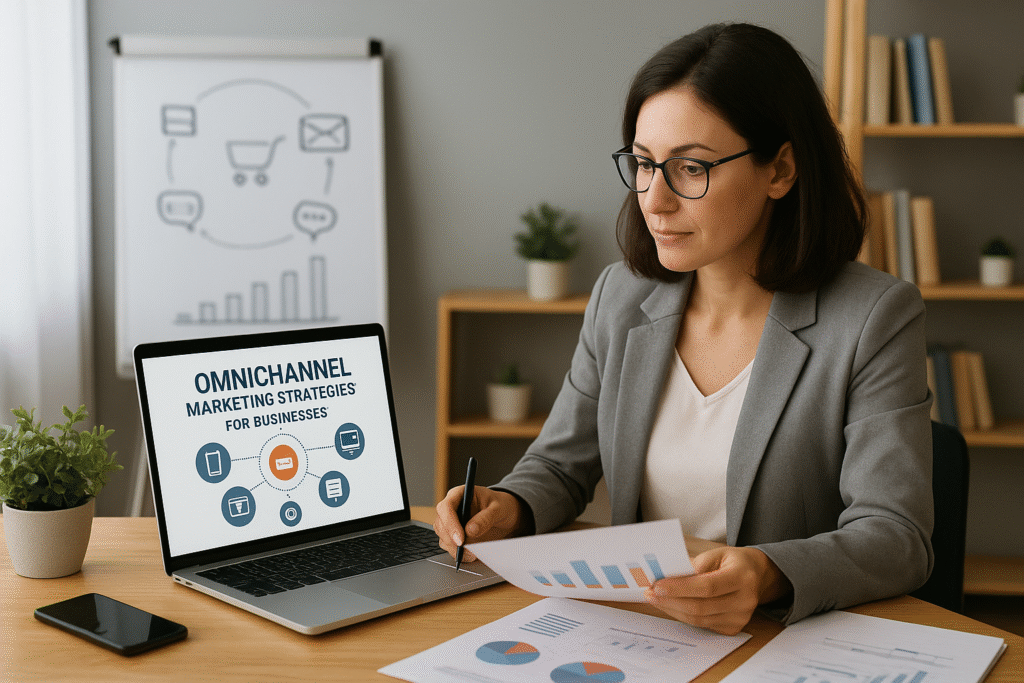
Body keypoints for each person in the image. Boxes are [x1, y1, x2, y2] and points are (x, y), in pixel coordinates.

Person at [434, 22, 933, 636]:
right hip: (640, 629)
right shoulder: (621, 296)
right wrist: (509, 505)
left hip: (778, 639)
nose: (654, 199)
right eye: (644, 164)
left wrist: (768, 572)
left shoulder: (874, 317)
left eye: (690, 168)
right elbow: (560, 468)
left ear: (780, 170)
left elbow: (896, 535)